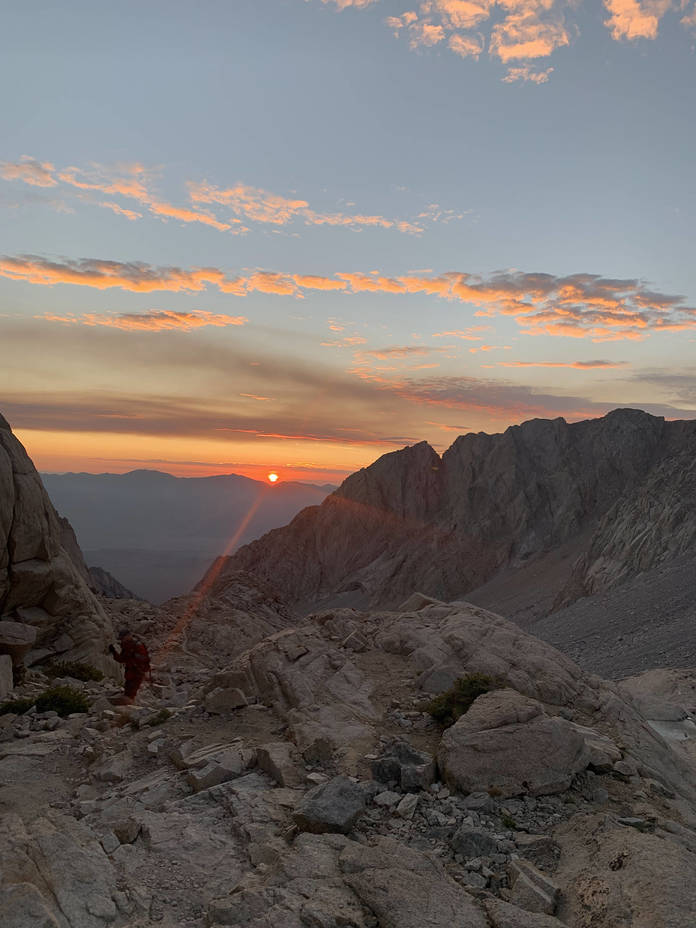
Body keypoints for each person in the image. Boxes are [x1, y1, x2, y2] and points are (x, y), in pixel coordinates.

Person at [109, 628, 151, 703]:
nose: (122, 640)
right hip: (132, 673)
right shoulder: (129, 645)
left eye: (123, 638)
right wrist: (114, 651)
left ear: (128, 636)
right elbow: (122, 659)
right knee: (128, 693)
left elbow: (123, 659)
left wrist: (114, 651)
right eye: (121, 639)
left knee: (130, 696)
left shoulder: (134, 645)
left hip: (136, 673)